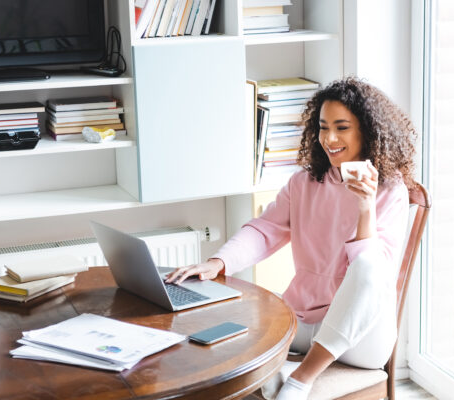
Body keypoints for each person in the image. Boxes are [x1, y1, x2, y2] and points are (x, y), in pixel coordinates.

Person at [166, 76, 417, 400]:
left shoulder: (390, 189)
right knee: (222, 329)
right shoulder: (304, 183)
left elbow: (371, 272)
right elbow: (264, 229)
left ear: (366, 131)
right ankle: (274, 374)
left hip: (361, 338)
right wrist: (218, 262)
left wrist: (365, 208)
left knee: (368, 266)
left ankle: (300, 378)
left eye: (342, 127)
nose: (329, 138)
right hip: (302, 322)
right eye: (323, 127)